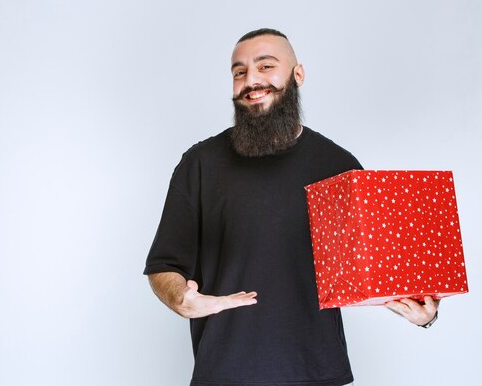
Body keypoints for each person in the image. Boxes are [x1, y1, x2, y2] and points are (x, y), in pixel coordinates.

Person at [143, 28, 439, 386]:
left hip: (316, 372)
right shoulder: (200, 164)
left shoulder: (338, 166)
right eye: (239, 72)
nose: (251, 80)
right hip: (225, 373)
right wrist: (180, 299)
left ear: (297, 75)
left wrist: (424, 314)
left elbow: (376, 271)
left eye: (266, 66)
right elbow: (164, 265)